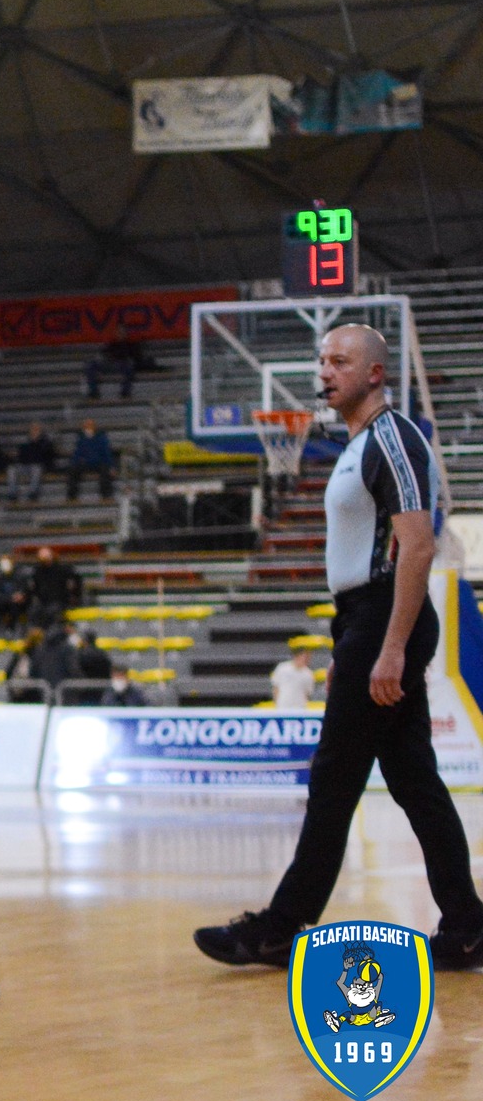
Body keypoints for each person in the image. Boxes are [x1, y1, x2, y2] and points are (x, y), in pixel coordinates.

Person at [197, 324, 483, 970]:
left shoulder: (394, 435)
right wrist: (356, 638)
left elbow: (418, 544)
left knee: (335, 777)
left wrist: (389, 647)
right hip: (364, 616)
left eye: (340, 361)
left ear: (375, 372)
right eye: (321, 360)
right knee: (413, 779)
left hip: (386, 615)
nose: (324, 371)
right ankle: (467, 927)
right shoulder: (356, 443)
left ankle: (278, 926)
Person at [67, 419, 115, 501]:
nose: (88, 428)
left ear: (94, 427)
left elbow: (106, 453)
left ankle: (106, 496)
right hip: (86, 464)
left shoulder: (101, 438)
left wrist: (112, 467)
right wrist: (74, 463)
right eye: (86, 426)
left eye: (90, 425)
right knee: (73, 469)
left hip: (99, 463)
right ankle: (71, 497)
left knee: (106, 470)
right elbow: (77, 454)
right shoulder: (81, 439)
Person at [10, 422, 55, 502]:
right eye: (33, 430)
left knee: (36, 468)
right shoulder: (25, 444)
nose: (34, 432)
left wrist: (37, 442)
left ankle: (33, 493)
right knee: (12, 469)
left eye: (36, 430)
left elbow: (47, 456)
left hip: (39, 467)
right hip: (26, 466)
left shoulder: (46, 443)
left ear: (40, 431)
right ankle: (13, 493)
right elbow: (21, 458)